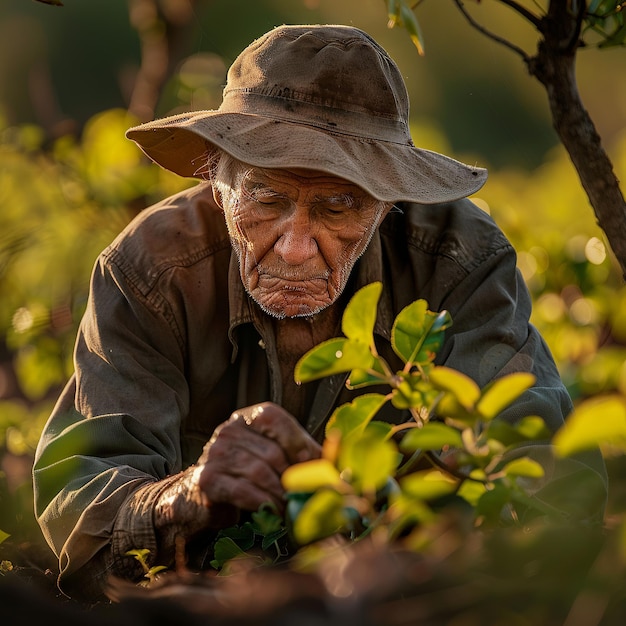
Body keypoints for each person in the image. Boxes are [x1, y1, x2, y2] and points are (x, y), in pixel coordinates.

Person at [32, 24, 606, 604]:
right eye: (267, 200)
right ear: (218, 179)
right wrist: (184, 498)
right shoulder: (149, 272)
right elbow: (81, 517)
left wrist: (416, 548)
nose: (296, 247)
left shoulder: (461, 265)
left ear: (388, 200)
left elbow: (552, 496)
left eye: (338, 207)